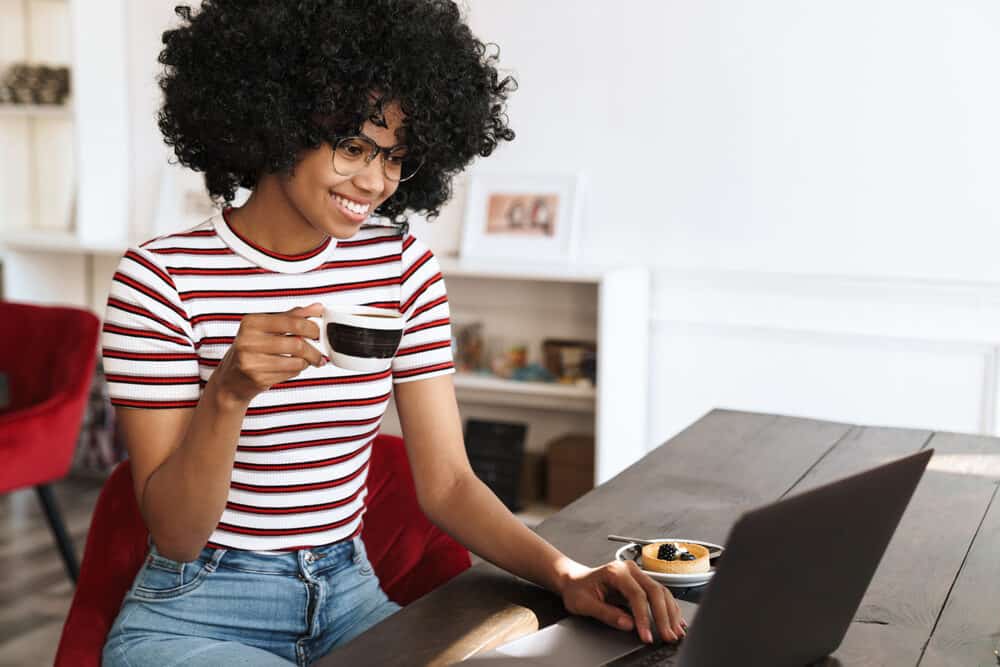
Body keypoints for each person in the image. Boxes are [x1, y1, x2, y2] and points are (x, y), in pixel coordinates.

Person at [100, 1, 686, 665]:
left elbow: (448, 484)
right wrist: (228, 393)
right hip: (199, 610)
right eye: (352, 146)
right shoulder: (160, 279)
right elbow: (176, 534)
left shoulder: (400, 265)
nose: (375, 181)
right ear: (276, 122)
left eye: (396, 157)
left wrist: (567, 573)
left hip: (348, 593)